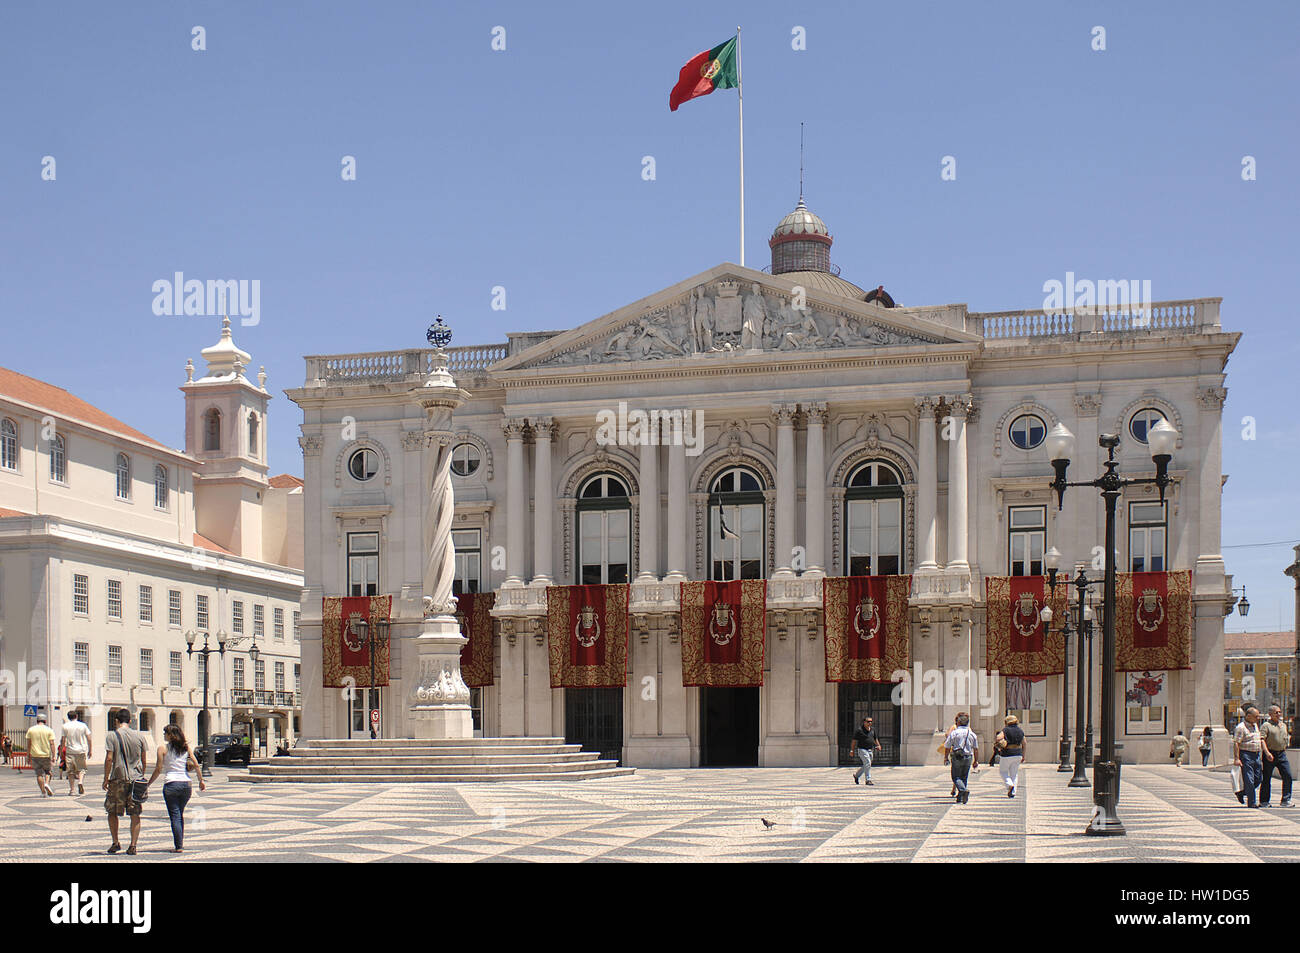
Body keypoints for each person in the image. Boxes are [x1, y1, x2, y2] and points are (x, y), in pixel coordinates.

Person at [146, 724, 205, 852]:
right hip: (186, 785)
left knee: (175, 815)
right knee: (179, 814)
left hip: (171, 784)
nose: (163, 735)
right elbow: (196, 764)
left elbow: (158, 769)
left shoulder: (162, 749)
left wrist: (148, 784)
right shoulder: (186, 748)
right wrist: (201, 781)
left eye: (165, 733)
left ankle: (179, 846)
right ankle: (180, 843)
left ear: (170, 735)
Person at [103, 707, 148, 855]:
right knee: (135, 813)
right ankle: (133, 845)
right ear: (130, 720)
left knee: (112, 811)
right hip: (136, 780)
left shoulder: (112, 735)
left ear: (116, 721)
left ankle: (116, 842)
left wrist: (105, 778)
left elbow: (109, 758)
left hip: (118, 779)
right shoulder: (140, 736)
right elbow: (143, 759)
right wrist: (142, 775)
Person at [1259, 705, 1293, 807]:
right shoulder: (1266, 725)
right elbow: (1262, 740)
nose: (1278, 714)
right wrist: (1267, 753)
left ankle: (1285, 800)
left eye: (1279, 712)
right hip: (1270, 753)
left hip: (1281, 754)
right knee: (1266, 778)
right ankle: (1264, 801)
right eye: (1276, 712)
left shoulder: (1283, 725)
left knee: (1288, 776)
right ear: (1270, 714)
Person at [943, 713, 980, 804]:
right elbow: (976, 749)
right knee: (964, 776)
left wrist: (946, 757)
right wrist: (976, 760)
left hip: (957, 756)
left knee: (955, 776)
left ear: (958, 722)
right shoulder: (972, 734)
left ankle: (963, 790)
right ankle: (960, 797)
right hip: (968, 756)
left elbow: (947, 746)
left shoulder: (954, 733)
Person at [1233, 706, 1264, 808]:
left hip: (1256, 755)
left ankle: (1241, 793)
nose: (1258, 718)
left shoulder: (1255, 725)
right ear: (1249, 716)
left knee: (1258, 778)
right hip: (1246, 754)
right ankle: (1252, 802)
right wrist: (1237, 758)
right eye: (1256, 716)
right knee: (1249, 779)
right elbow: (1236, 743)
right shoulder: (1240, 727)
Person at [25, 714, 56, 797]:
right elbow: (52, 743)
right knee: (48, 772)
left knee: (39, 774)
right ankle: (46, 783)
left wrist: (28, 755)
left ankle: (43, 792)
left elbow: (29, 744)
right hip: (46, 754)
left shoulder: (31, 730)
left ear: (37, 721)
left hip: (35, 755)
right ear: (45, 721)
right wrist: (54, 755)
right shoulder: (49, 730)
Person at [61, 710, 91, 795]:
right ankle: (80, 782)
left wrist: (61, 751)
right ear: (76, 716)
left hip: (70, 751)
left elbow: (63, 740)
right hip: (81, 750)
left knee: (70, 771)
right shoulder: (83, 725)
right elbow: (89, 738)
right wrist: (90, 749)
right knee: (82, 769)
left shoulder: (65, 726)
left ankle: (72, 790)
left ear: (68, 717)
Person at [997, 714, 1026, 797]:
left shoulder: (1005, 730)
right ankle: (1013, 792)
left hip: (1007, 753)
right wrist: (1023, 755)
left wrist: (1001, 742)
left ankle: (1009, 784)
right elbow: (1024, 743)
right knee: (1014, 773)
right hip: (1018, 753)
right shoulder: (1020, 731)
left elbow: (999, 737)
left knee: (1003, 771)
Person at [849, 716, 882, 786]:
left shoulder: (873, 730)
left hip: (870, 749)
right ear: (864, 722)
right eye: (868, 721)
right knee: (867, 762)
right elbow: (854, 741)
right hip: (862, 749)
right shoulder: (859, 730)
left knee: (867, 764)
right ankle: (868, 780)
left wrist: (878, 745)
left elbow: (875, 738)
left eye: (871, 721)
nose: (869, 723)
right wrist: (852, 750)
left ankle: (857, 775)